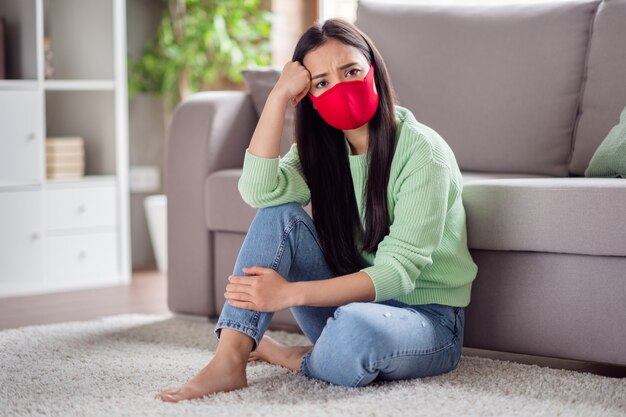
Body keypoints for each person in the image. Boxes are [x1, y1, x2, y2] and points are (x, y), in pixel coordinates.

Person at [158, 18, 478, 403]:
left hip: (428, 320)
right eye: (322, 82)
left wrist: (289, 294)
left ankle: (292, 356)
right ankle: (229, 360)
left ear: (373, 72)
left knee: (357, 331)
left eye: (351, 72)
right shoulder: (321, 152)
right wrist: (277, 97)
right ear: (309, 96)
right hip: (353, 304)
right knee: (279, 214)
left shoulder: (423, 152)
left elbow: (397, 274)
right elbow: (260, 192)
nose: (340, 87)